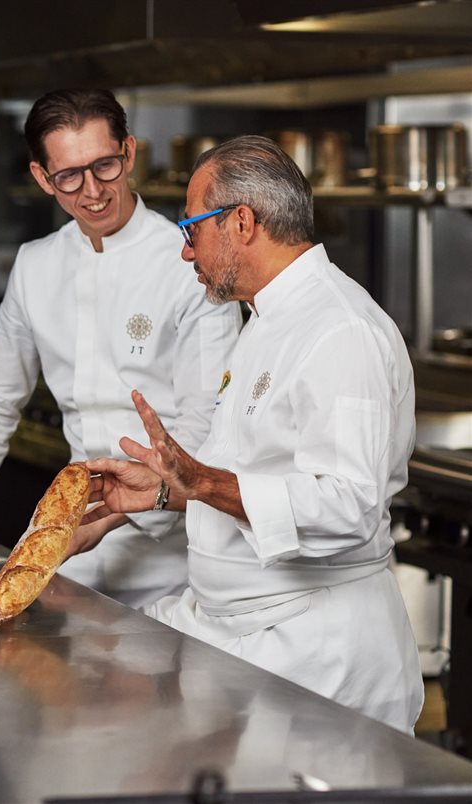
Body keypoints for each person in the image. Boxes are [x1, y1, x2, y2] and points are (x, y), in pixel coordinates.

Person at [85, 135, 422, 732]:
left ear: (241, 222)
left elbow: (349, 505)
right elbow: (259, 470)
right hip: (240, 628)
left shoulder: (341, 330)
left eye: (191, 230)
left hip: (318, 653)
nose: (186, 253)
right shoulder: (265, 318)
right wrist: (167, 490)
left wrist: (202, 481)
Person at [0, 89, 241, 607]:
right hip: (73, 550)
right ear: (42, 177)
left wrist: (119, 512)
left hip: (180, 555)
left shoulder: (190, 264)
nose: (92, 192)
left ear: (129, 152)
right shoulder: (36, 265)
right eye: (68, 177)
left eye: (104, 166)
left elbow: (208, 427)